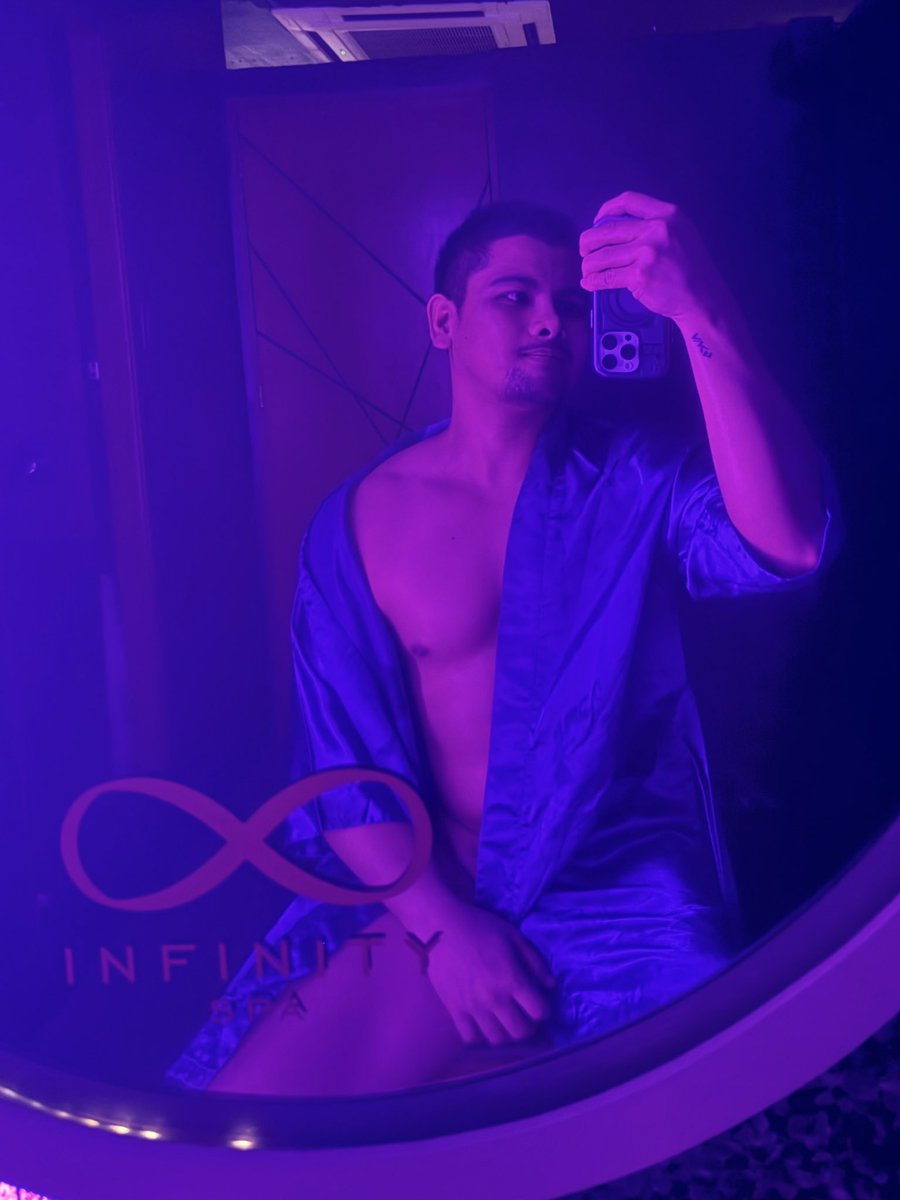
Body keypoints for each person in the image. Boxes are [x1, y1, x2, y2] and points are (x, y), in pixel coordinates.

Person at [167, 192, 840, 1095]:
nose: (549, 322)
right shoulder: (362, 517)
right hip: (435, 887)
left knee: (690, 1118)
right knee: (241, 1123)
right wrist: (444, 930)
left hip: (621, 888)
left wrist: (701, 312)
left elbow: (789, 545)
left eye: (570, 303)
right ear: (443, 321)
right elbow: (343, 772)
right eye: (514, 297)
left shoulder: (639, 477)